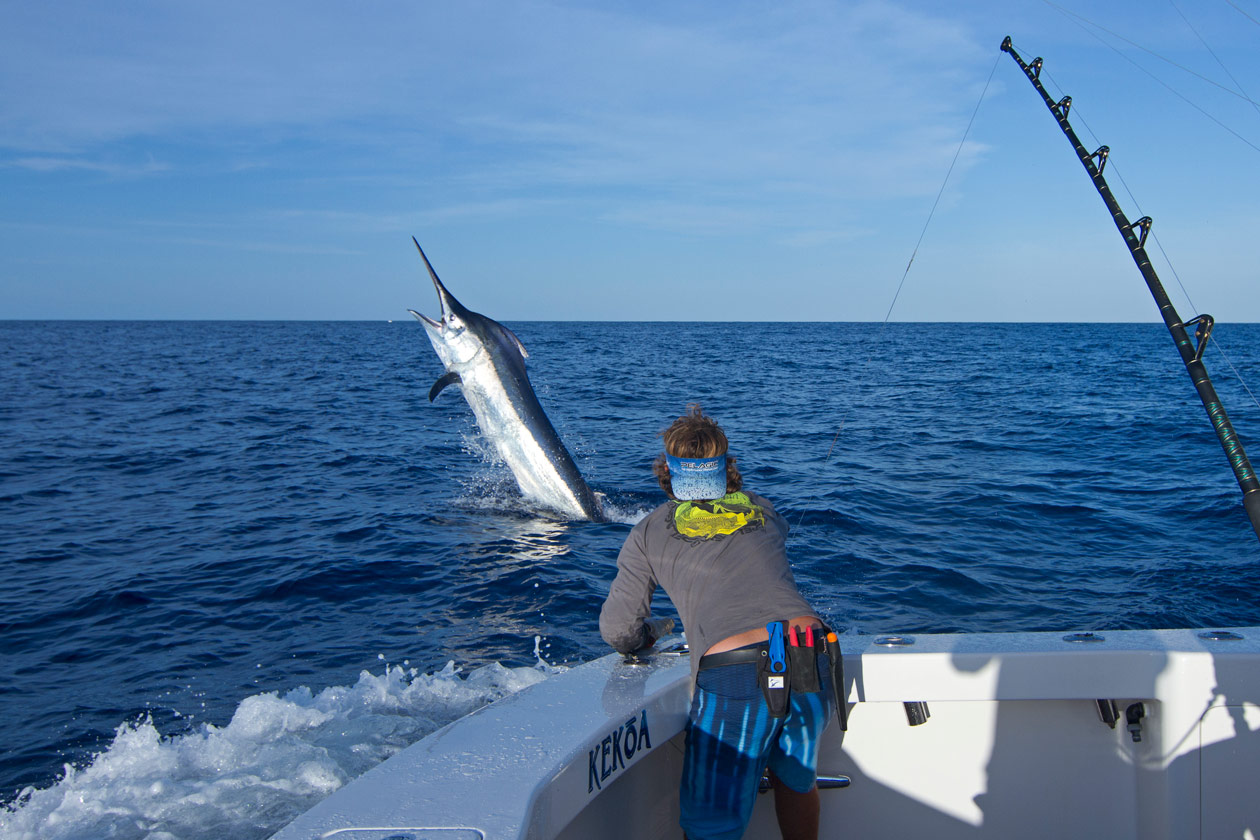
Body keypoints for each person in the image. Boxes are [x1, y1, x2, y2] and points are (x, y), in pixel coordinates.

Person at [600, 404, 839, 840]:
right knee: (797, 780)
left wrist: (650, 633)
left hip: (736, 674)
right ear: (727, 467)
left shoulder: (648, 531)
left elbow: (618, 631)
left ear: (667, 472)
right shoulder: (762, 509)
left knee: (712, 829)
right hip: (812, 650)